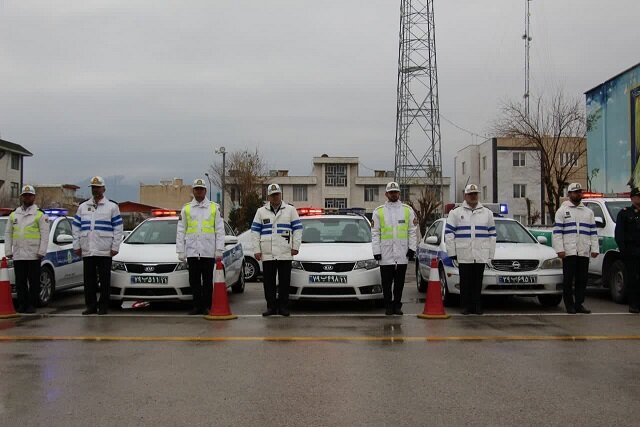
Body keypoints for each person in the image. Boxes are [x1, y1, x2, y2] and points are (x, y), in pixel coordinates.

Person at [72, 176, 123, 315]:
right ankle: (91, 306)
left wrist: (115, 247)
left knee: (105, 280)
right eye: (93, 187)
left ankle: (103, 306)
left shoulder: (112, 206)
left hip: (104, 249)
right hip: (88, 249)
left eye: (98, 187)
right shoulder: (83, 207)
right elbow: (76, 227)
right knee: (89, 281)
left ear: (104, 189)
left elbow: (118, 228)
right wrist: (76, 245)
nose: (95, 190)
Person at [251, 183, 302, 317]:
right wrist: (257, 249)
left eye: (277, 194)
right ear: (269, 196)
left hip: (285, 252)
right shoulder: (260, 211)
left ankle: (283, 307)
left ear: (281, 195)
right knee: (269, 283)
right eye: (273, 195)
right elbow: (255, 232)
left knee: (285, 282)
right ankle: (271, 307)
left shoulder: (291, 210)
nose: (275, 197)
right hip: (268, 253)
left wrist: (295, 247)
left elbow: (298, 229)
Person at [445, 184, 496, 315]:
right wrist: (452, 253)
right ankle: (466, 306)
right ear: (465, 196)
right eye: (470, 194)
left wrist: (491, 254)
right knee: (465, 282)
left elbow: (492, 235)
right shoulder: (456, 213)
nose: (473, 196)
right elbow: (449, 234)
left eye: (475, 194)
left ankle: (477, 305)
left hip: (480, 253)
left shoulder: (487, 213)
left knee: (478, 282)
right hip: (464, 253)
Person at [176, 178, 225, 315]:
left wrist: (219, 249)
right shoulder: (186, 208)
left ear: (205, 191)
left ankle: (207, 306)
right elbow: (181, 230)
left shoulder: (214, 207)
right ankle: (196, 306)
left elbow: (220, 230)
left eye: (201, 189)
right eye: (196, 189)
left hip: (208, 251)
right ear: (193, 191)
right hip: (192, 251)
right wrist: (180, 250)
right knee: (194, 281)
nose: (199, 191)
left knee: (208, 281)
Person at [371, 181, 417, 315]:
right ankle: (388, 306)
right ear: (386, 194)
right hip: (385, 254)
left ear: (399, 193)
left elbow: (412, 231)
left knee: (399, 282)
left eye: (396, 192)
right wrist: (376, 251)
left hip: (402, 253)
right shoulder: (378, 212)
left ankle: (397, 305)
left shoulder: (407, 210)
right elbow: (375, 233)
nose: (393, 194)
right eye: (391, 192)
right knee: (386, 283)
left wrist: (412, 249)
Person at [553, 182, 598, 314]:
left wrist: (595, 248)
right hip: (569, 251)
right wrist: (559, 249)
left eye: (580, 192)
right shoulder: (562, 211)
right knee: (568, 279)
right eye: (575, 192)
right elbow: (557, 233)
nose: (578, 194)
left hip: (583, 250)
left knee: (582, 279)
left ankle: (579, 304)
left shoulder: (588, 212)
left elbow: (593, 232)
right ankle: (569, 305)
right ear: (569, 194)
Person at [4, 185, 49, 313]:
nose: (27, 197)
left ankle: (31, 304)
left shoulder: (40, 214)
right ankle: (22, 304)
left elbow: (45, 234)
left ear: (34, 197)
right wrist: (8, 251)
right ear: (21, 197)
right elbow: (8, 233)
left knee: (34, 282)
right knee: (20, 282)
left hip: (33, 254)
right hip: (18, 254)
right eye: (25, 195)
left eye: (29, 195)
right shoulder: (14, 215)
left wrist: (42, 251)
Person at [614, 187, 640, 314]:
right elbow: (619, 234)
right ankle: (633, 304)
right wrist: (624, 252)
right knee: (632, 278)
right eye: (638, 196)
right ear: (632, 198)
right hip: (631, 252)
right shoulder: (624, 213)